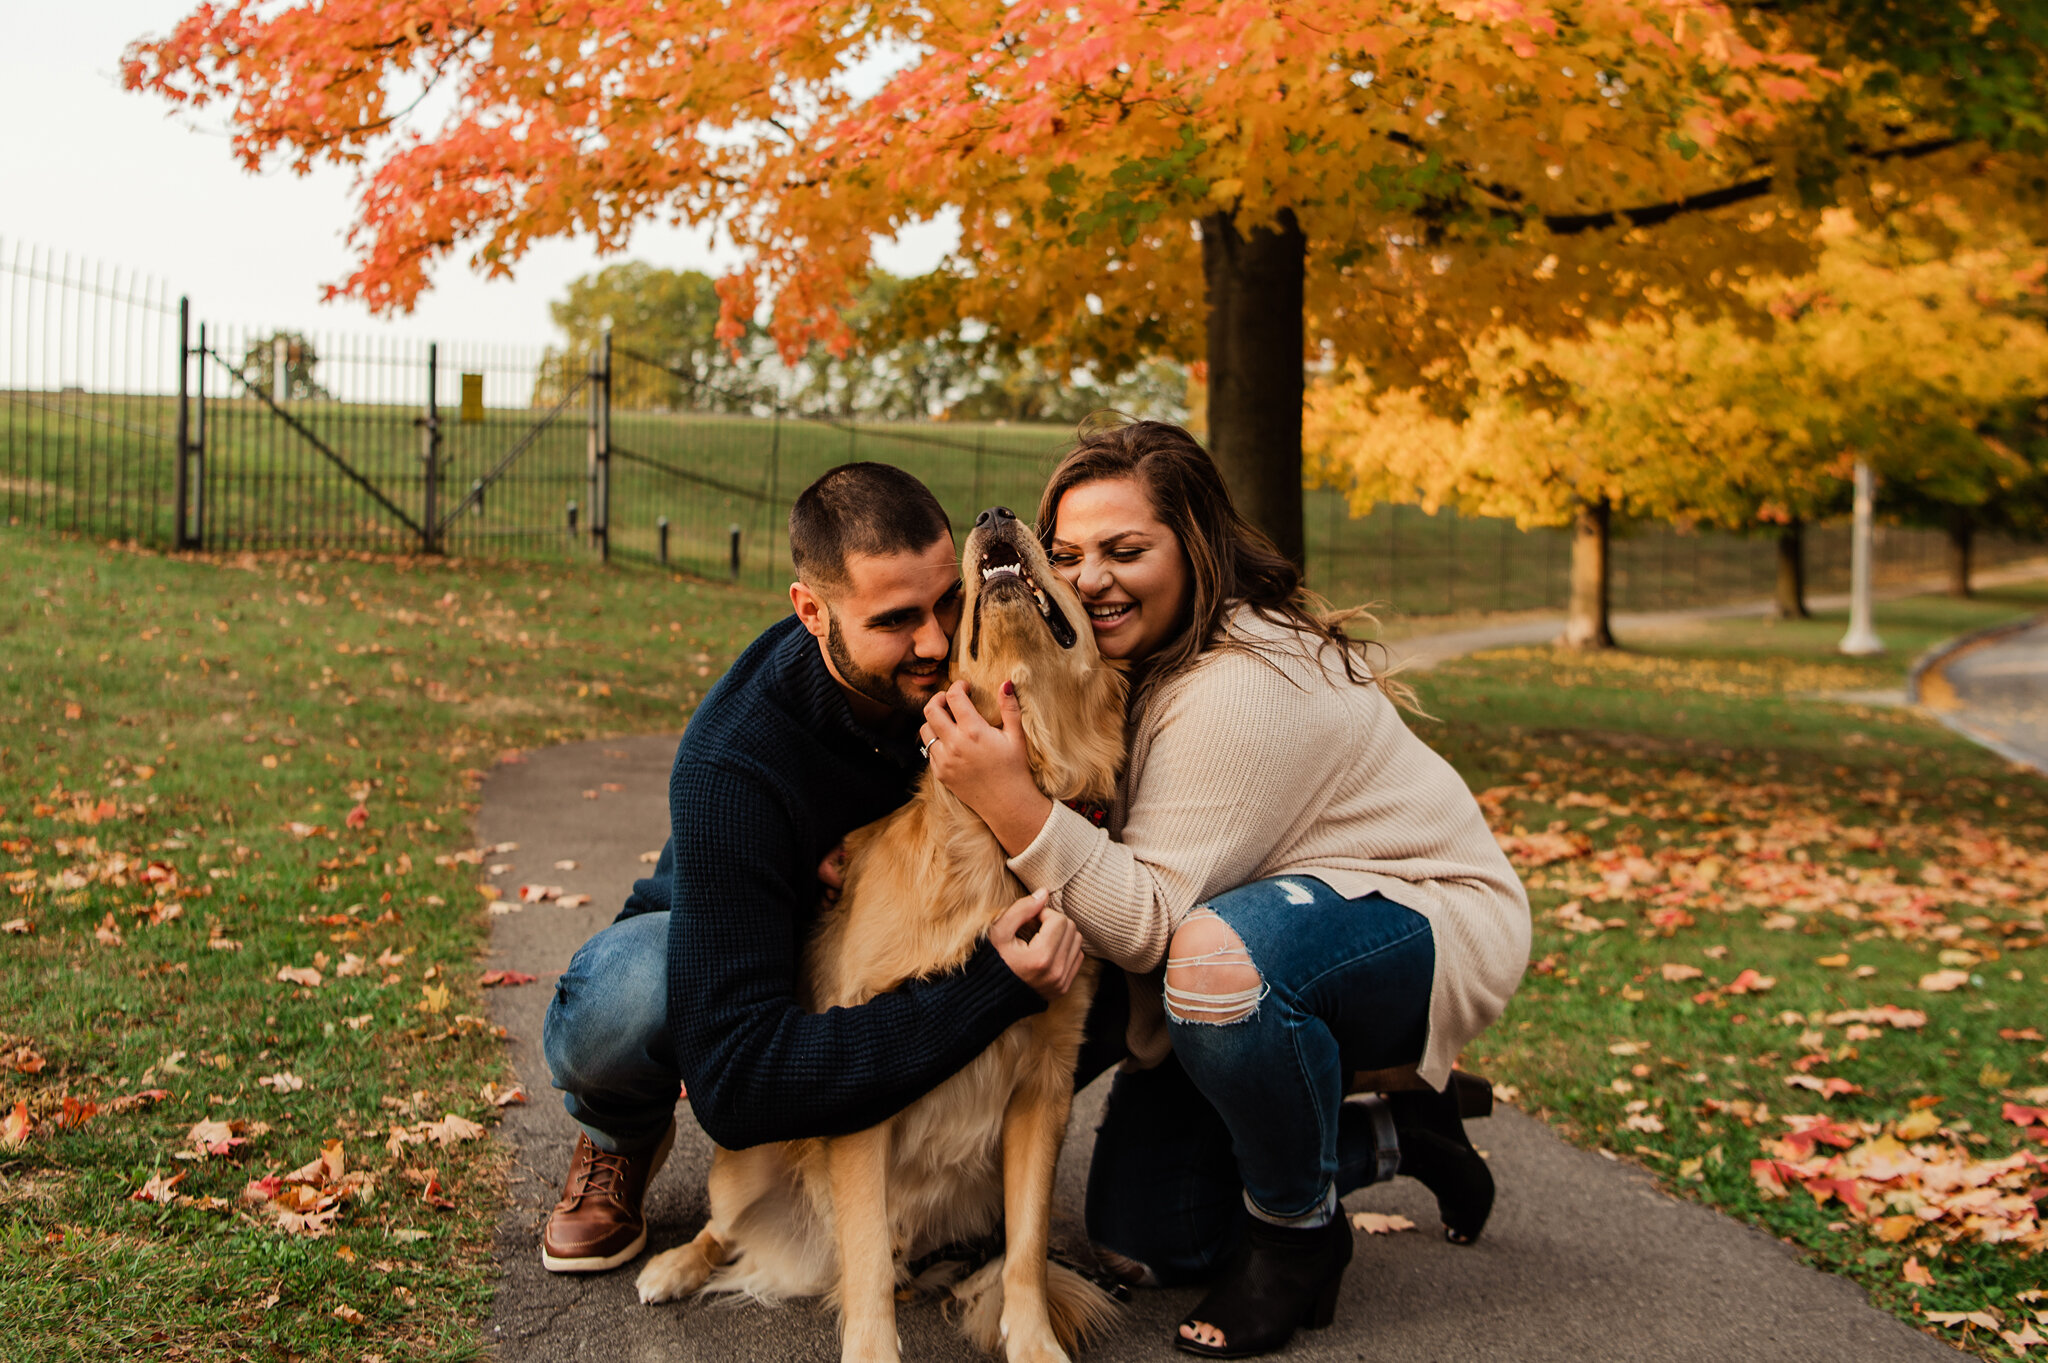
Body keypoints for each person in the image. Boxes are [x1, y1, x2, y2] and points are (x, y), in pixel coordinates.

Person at [919, 419, 1532, 1357]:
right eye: (1071, 554)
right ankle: (1409, 1136)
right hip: (1257, 934)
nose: (1091, 581)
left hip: (1415, 915)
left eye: (1128, 551)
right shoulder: (1131, 664)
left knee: (1208, 960)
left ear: (1196, 547)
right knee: (1148, 1238)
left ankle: (1298, 1239)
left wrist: (1012, 806)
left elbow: (1151, 923)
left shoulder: (1237, 682)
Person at [537, 462, 1086, 1274]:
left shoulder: (969, 671)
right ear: (811, 611)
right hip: (738, 944)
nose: (934, 642)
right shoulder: (735, 760)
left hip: (905, 938)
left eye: (946, 602)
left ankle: (954, 1177)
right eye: (896, 620)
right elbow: (737, 1087)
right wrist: (997, 987)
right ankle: (618, 1131)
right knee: (629, 993)